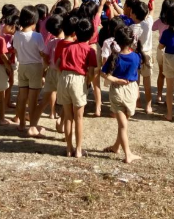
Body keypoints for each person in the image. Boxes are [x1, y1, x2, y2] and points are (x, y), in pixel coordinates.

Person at [101, 26, 145, 164]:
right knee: (124, 124)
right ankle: (125, 152)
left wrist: (115, 80)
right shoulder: (136, 57)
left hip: (117, 91)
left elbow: (104, 74)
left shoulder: (114, 57)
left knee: (122, 125)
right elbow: (136, 72)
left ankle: (121, 150)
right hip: (131, 90)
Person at [57, 18, 97, 158]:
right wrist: (88, 83)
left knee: (68, 116)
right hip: (78, 80)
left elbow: (58, 64)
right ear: (91, 34)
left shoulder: (67, 47)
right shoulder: (89, 50)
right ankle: (79, 149)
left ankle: (69, 148)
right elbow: (91, 72)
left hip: (64, 78)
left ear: (75, 33)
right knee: (79, 117)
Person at [12, 6, 46, 136]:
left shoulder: (17, 35)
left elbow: (15, 50)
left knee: (22, 97)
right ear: (34, 21)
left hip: (23, 66)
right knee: (33, 99)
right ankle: (32, 125)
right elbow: (42, 52)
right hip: (35, 67)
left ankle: (21, 124)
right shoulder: (37, 36)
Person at [130, 0, 155, 114]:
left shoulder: (132, 28)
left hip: (136, 55)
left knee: (136, 81)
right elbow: (152, 11)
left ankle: (137, 101)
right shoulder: (148, 23)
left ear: (133, 14)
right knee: (147, 81)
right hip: (147, 54)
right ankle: (148, 105)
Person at [152, 0, 174, 104]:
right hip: (172, 49)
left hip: (161, 48)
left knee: (161, 73)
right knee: (172, 75)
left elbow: (152, 27)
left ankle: (159, 95)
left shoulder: (160, 21)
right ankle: (169, 97)